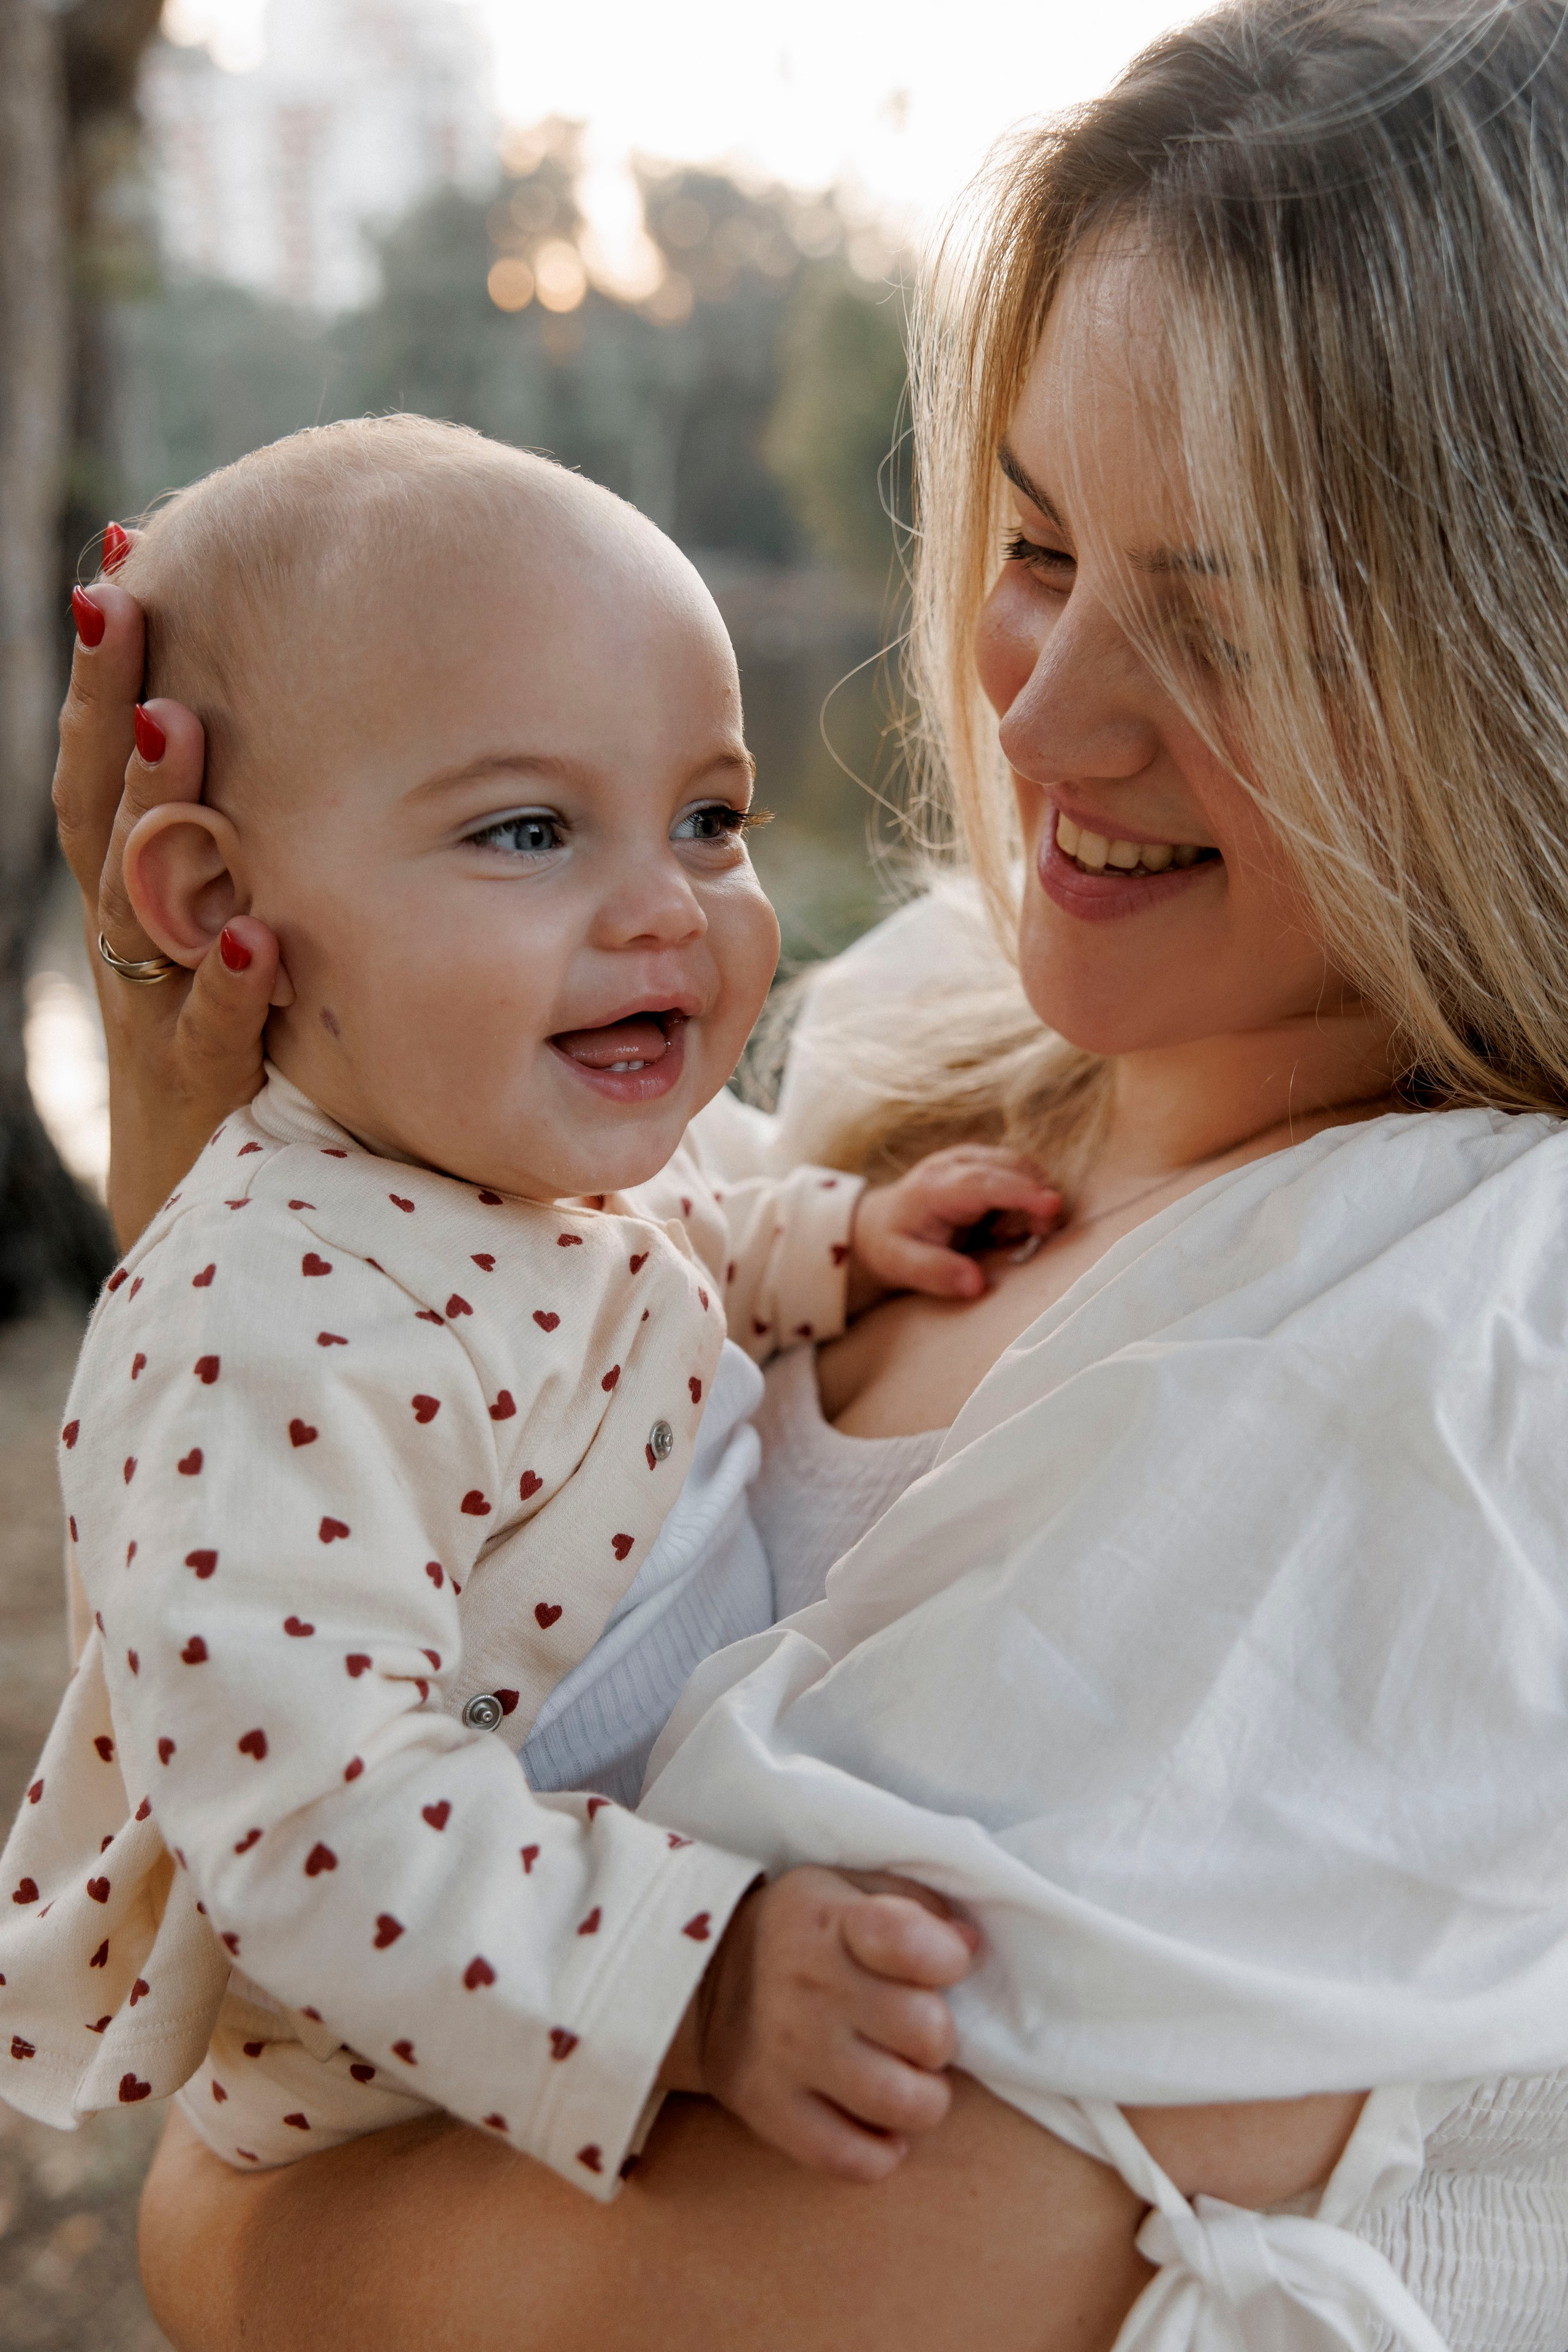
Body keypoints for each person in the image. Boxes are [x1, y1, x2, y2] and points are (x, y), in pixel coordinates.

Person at [48, 0, 1568, 2345]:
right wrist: (251, 1190)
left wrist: (228, 2229)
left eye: (1234, 624)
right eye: (1045, 543)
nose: (1042, 720)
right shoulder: (919, 1033)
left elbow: (714, 2307)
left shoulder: (1475, 1330)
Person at [0, 417, 1066, 2191]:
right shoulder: (250, 1324)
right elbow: (313, 1813)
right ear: (213, 901)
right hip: (451, 2070)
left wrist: (845, 1238)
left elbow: (673, 1243)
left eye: (710, 818)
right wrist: (693, 1989)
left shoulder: (516, 1136)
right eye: (525, 828)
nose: (666, 906)